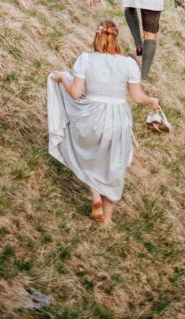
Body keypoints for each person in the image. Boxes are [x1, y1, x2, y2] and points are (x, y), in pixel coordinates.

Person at [48, 19, 159, 225]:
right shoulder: (128, 64)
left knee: (84, 156)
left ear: (97, 37)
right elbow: (137, 97)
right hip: (117, 118)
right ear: (115, 38)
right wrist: (152, 101)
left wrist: (63, 78)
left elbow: (75, 93)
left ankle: (95, 196)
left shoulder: (85, 60)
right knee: (114, 165)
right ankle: (106, 221)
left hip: (91, 115)